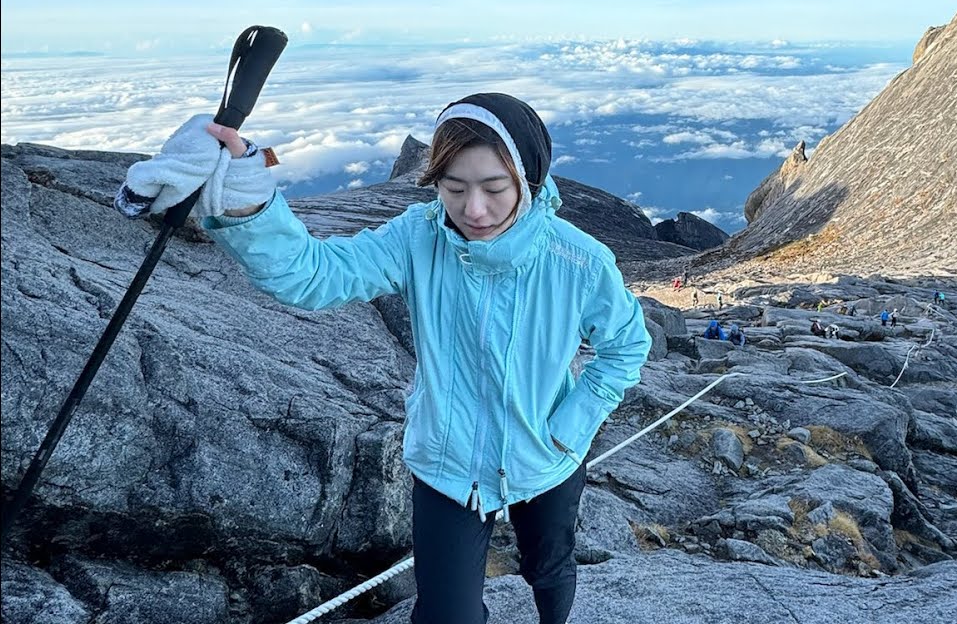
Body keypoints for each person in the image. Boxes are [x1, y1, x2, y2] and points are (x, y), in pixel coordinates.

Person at [119, 93, 651, 624]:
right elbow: (313, 274)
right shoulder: (418, 237)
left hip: (549, 453)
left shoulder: (578, 261)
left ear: (529, 181)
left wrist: (567, 428)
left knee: (549, 568)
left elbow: (626, 345)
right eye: (453, 188)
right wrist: (246, 196)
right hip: (448, 462)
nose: (474, 210)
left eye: (494, 188)